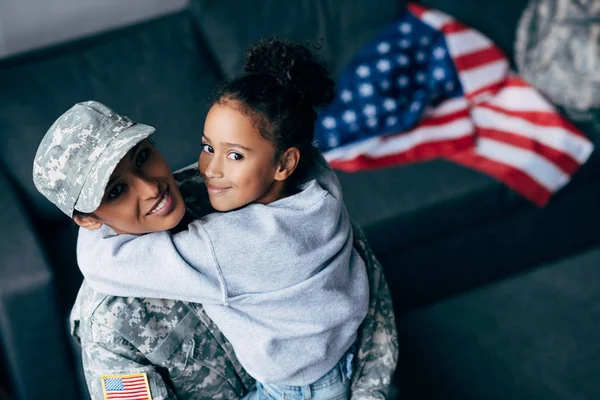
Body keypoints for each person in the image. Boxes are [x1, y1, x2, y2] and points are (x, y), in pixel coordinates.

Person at [33, 68, 397, 400]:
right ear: (88, 221)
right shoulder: (108, 322)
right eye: (115, 191)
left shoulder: (223, 191)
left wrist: (370, 390)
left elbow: (361, 275)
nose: (151, 189)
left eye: (142, 157)